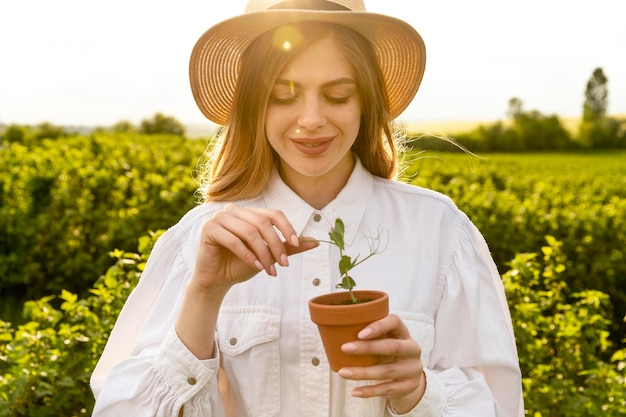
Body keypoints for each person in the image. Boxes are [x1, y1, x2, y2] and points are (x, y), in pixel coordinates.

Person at [90, 0, 524, 416]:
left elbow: (500, 405)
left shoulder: (439, 232)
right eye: (283, 97)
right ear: (254, 106)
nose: (311, 118)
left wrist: (419, 392)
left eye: (337, 96)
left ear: (366, 102)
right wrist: (204, 293)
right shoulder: (200, 239)